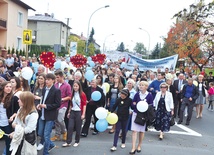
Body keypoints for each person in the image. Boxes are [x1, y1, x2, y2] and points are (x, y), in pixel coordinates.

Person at [36, 73, 61, 155]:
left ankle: (45, 152)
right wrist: (40, 105)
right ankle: (51, 144)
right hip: (42, 114)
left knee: (46, 135)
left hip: (50, 115)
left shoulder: (56, 91)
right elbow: (43, 99)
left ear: (53, 81)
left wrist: (46, 106)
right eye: (46, 79)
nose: (46, 81)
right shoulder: (44, 89)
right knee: (40, 133)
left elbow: (58, 104)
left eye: (48, 80)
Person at [129, 81, 153, 154]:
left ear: (146, 87)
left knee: (141, 131)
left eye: (142, 85)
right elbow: (132, 104)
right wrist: (136, 105)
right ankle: (133, 148)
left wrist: (141, 105)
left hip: (144, 115)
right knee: (134, 131)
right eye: (140, 85)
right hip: (136, 114)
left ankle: (139, 145)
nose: (141, 86)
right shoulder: (137, 94)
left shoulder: (149, 95)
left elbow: (151, 106)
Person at [62, 81, 87, 147]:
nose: (75, 87)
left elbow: (84, 105)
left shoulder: (82, 94)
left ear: (79, 87)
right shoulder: (72, 94)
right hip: (73, 111)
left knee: (78, 127)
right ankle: (68, 141)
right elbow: (71, 104)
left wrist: (83, 114)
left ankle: (77, 141)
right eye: (74, 86)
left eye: (76, 86)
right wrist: (69, 112)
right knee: (70, 127)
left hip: (79, 112)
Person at [51, 70, 72, 141]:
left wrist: (62, 99)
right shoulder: (55, 85)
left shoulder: (67, 85)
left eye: (58, 77)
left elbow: (69, 96)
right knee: (56, 120)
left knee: (60, 119)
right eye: (56, 77)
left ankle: (64, 132)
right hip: (56, 105)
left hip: (63, 105)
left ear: (62, 77)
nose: (56, 79)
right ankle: (57, 135)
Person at [32, 73, 46, 151]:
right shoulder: (36, 87)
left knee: (42, 128)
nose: (40, 80)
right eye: (39, 78)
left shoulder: (45, 88)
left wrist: (39, 97)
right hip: (35, 109)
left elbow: (46, 98)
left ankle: (42, 142)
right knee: (35, 127)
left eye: (41, 78)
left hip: (42, 110)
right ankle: (35, 141)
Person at [0, 81, 13, 155]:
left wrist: (12, 116)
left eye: (10, 87)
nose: (9, 88)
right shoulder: (0, 97)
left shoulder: (13, 98)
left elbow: (16, 111)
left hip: (7, 124)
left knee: (8, 143)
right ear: (3, 87)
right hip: (0, 122)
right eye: (7, 86)